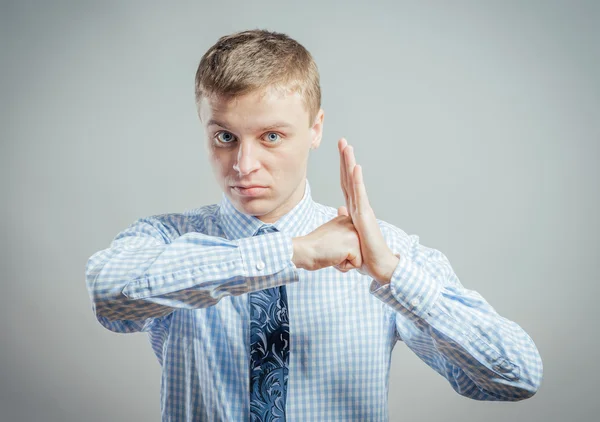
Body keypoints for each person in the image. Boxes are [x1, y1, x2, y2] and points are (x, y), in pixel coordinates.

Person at [85, 29, 543, 421]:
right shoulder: (170, 241)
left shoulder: (379, 251)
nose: (244, 165)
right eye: (225, 137)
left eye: (271, 136)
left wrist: (394, 275)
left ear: (316, 129)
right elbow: (109, 298)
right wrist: (290, 253)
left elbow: (516, 377)